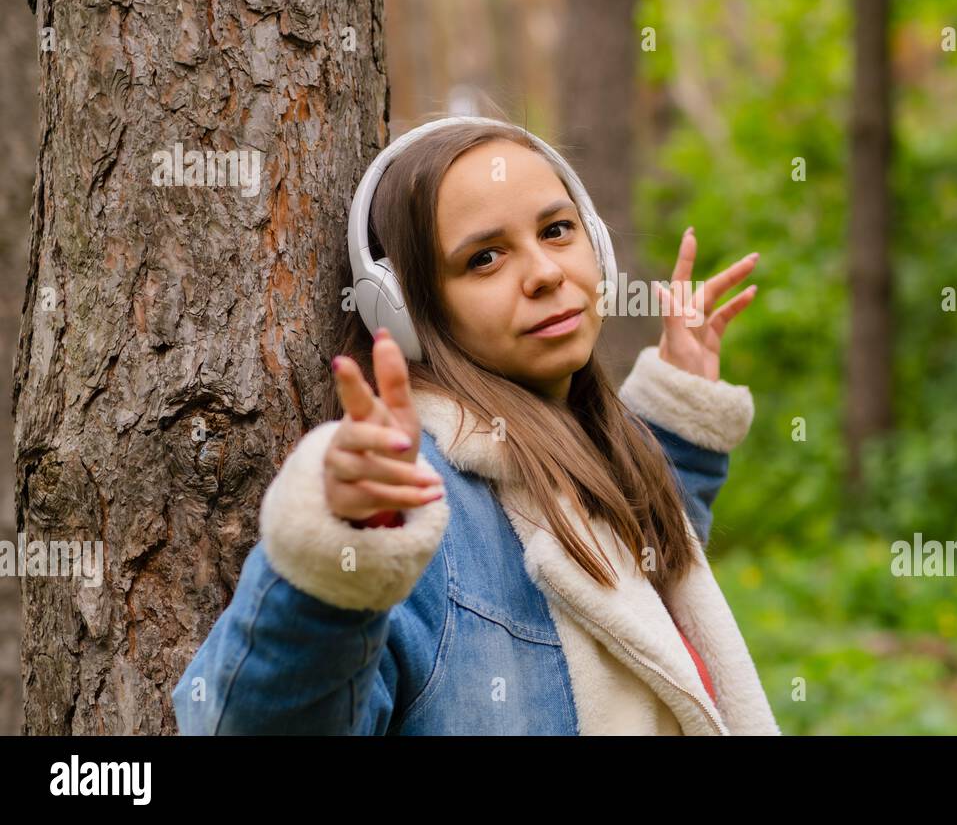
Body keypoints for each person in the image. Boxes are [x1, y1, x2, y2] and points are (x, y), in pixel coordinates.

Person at [170, 115, 780, 735]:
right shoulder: (419, 510)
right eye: (484, 258)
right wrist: (349, 549)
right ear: (404, 309)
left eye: (557, 229)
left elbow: (629, 603)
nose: (544, 272)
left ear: (597, 241)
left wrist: (676, 427)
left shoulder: (584, 448)